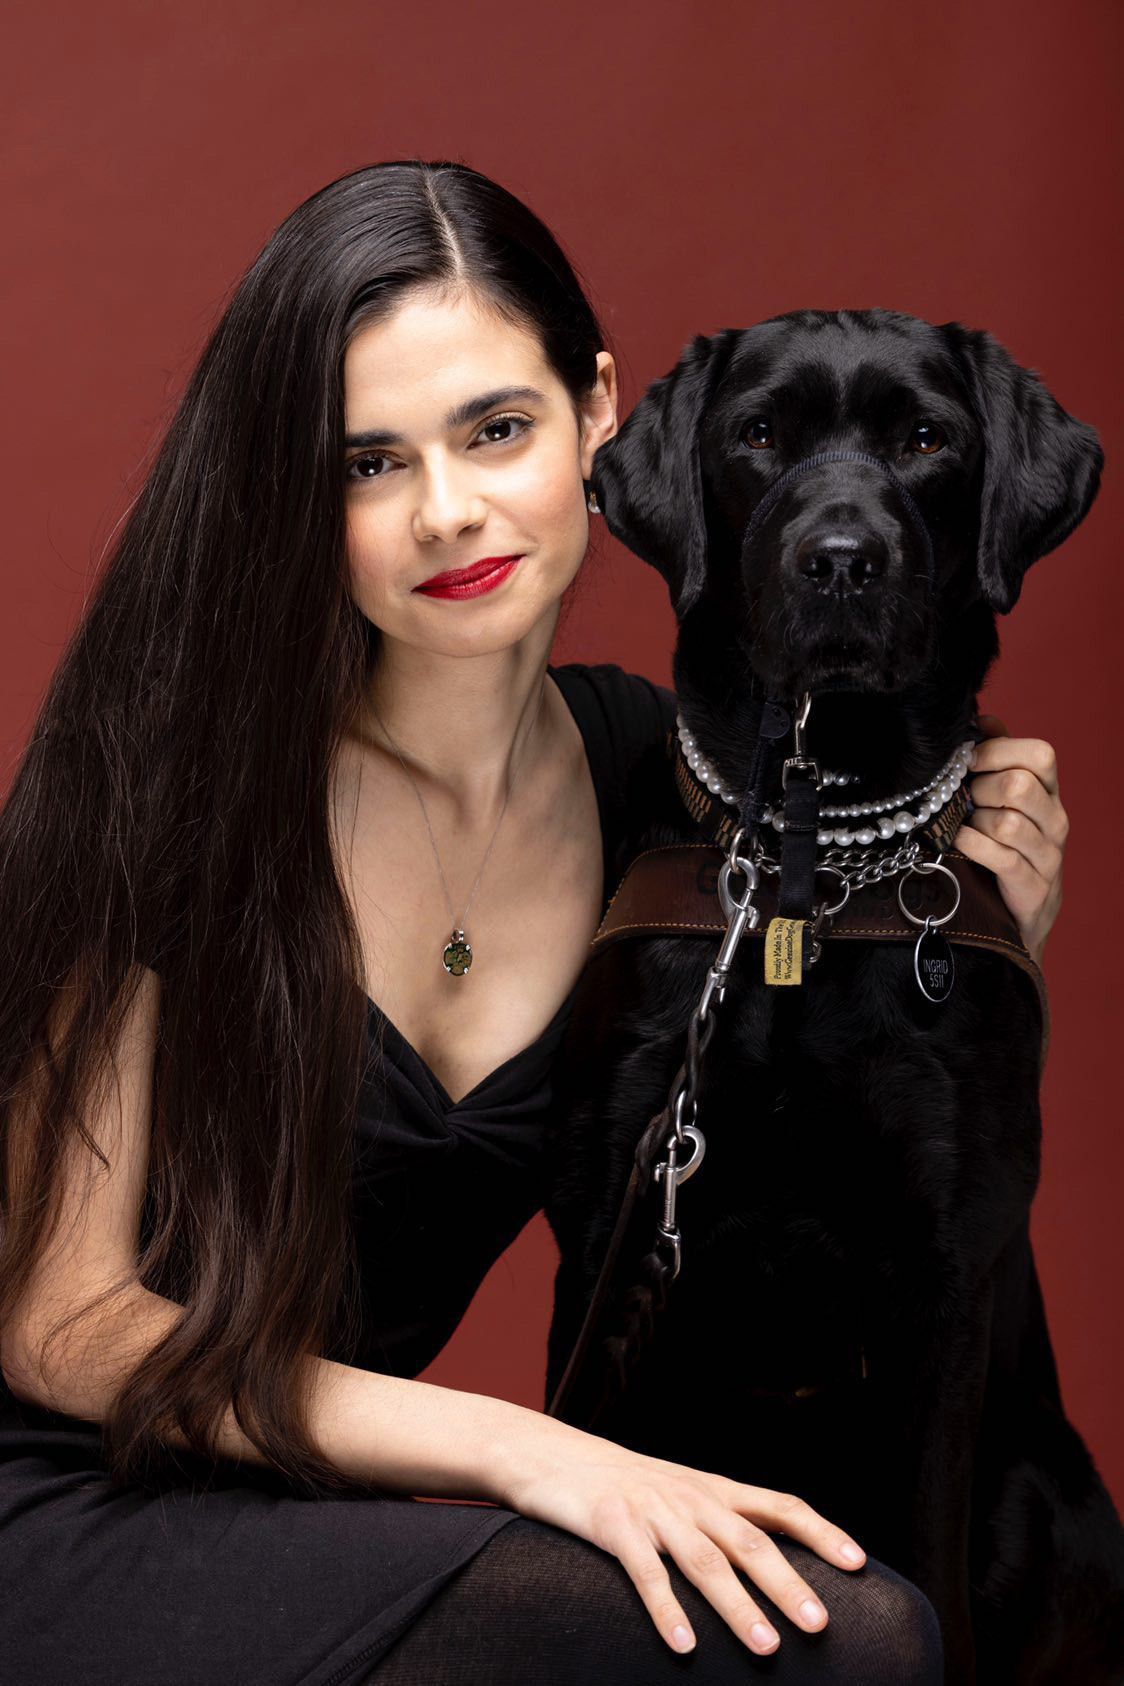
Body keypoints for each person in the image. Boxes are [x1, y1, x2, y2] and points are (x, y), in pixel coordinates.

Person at [0, 160, 1067, 1685]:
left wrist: (981, 896)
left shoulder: (649, 784)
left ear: (599, 413)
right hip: (53, 1511)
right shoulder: (178, 778)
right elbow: (65, 1326)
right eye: (369, 463)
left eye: (495, 430)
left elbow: (841, 1067)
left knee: (841, 1613)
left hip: (303, 1522)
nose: (448, 512)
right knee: (855, 1648)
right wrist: (523, 1453)